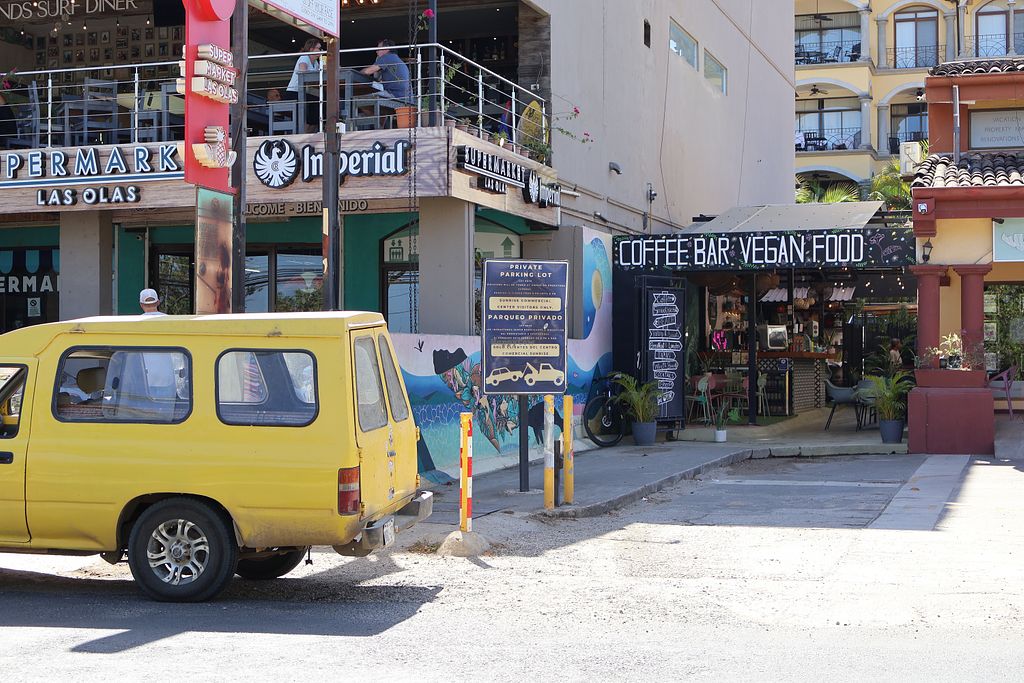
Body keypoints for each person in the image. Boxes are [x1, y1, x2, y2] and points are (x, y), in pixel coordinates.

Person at [284, 38, 322, 131]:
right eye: (318, 48)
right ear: (311, 49)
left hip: (303, 92)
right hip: (293, 92)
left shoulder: (316, 62)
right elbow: (303, 71)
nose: (321, 50)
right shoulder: (304, 57)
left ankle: (308, 130)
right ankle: (306, 131)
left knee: (319, 101)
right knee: (316, 102)